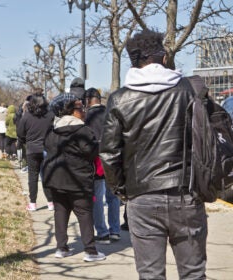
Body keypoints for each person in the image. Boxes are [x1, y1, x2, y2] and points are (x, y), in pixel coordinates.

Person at [100, 29, 207, 279]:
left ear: (133, 61)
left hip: (142, 197)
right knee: (193, 273)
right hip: (186, 192)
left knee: (150, 275)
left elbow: (109, 153)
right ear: (164, 56)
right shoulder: (187, 90)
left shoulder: (119, 99)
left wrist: (121, 191)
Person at [43, 93, 106, 262]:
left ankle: (61, 248)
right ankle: (90, 251)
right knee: (84, 213)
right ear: (70, 111)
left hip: (55, 179)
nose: (84, 111)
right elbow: (91, 152)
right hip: (79, 180)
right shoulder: (83, 130)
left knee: (60, 212)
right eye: (80, 107)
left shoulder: (52, 130)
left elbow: (47, 146)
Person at [84, 87, 121, 243]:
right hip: (112, 159)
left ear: (87, 101)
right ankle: (115, 230)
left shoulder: (87, 118)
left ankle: (102, 232)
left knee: (97, 197)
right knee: (113, 196)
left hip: (95, 161)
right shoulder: (110, 114)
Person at [17, 92, 54, 211]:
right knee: (47, 176)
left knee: (32, 177)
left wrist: (24, 141)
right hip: (46, 148)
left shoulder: (27, 116)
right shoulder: (50, 116)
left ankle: (33, 203)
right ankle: (51, 202)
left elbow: (20, 133)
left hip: (32, 149)